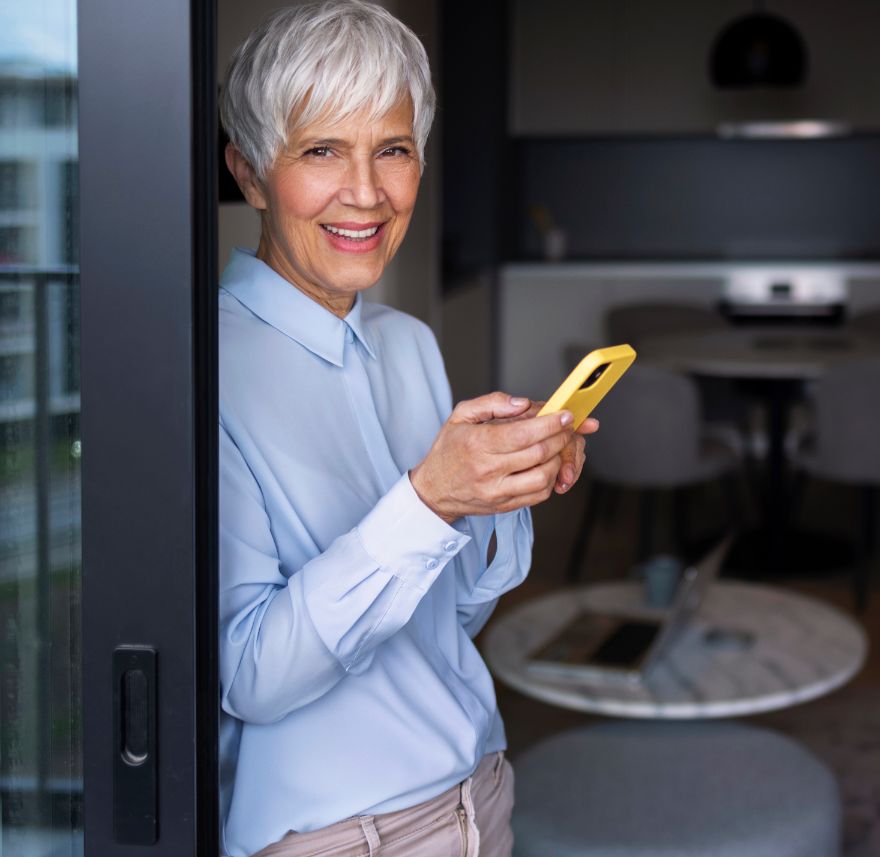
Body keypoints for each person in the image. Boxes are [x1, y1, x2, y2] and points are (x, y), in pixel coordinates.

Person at [216, 2, 596, 854]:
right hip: (340, 837)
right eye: (321, 150)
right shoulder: (208, 370)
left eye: (392, 149)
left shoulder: (407, 343)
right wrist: (429, 501)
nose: (366, 192)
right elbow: (248, 676)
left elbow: (448, 616)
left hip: (480, 795)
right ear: (248, 175)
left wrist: (499, 486)